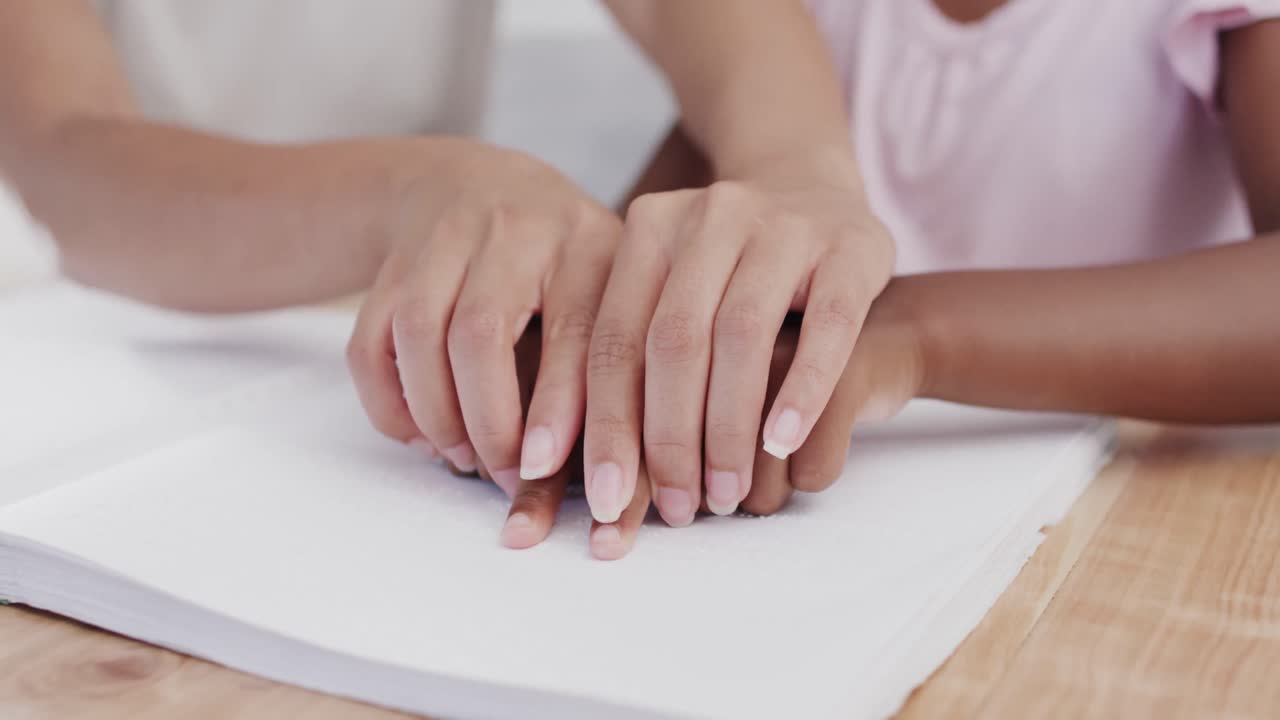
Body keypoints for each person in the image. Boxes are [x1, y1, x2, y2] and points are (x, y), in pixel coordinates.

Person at [0, 1, 889, 559]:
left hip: (391, 317)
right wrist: (413, 192)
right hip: (67, 338)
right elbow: (60, 163)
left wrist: (800, 170)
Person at [505, 0, 1280, 558]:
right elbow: (660, 257)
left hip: (1135, 526)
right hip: (820, 550)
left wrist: (901, 335)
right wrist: (591, 347)